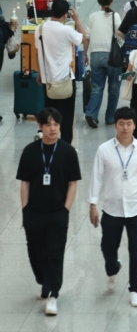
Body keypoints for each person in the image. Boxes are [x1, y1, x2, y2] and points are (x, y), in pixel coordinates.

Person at [89, 107, 137, 306]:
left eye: (129, 124)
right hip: (112, 208)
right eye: (121, 123)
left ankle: (135, 289)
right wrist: (92, 203)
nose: (125, 127)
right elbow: (96, 177)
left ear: (134, 126)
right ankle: (112, 269)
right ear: (115, 125)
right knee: (108, 247)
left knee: (136, 250)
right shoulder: (104, 149)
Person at [17, 107, 81, 316]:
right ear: (40, 126)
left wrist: (65, 210)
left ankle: (53, 294)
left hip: (57, 213)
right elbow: (25, 182)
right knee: (35, 253)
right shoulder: (30, 151)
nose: (52, 129)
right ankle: (44, 282)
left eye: (56, 125)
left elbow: (73, 183)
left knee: (55, 253)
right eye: (48, 125)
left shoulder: (68, 152)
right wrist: (25, 209)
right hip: (34, 211)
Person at [35, 0, 84, 145]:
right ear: (65, 14)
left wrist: (39, 73)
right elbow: (84, 37)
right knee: (66, 119)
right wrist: (77, 19)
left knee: (49, 117)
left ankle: (49, 143)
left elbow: (39, 53)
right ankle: (65, 147)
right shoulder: (66, 30)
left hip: (47, 80)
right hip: (65, 81)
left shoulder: (40, 29)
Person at [83, 0, 122, 128]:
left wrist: (84, 54)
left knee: (97, 87)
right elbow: (120, 34)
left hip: (95, 55)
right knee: (114, 88)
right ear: (111, 0)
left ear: (98, 1)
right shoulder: (115, 16)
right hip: (112, 56)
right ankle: (110, 117)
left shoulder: (93, 16)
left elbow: (86, 37)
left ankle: (91, 114)